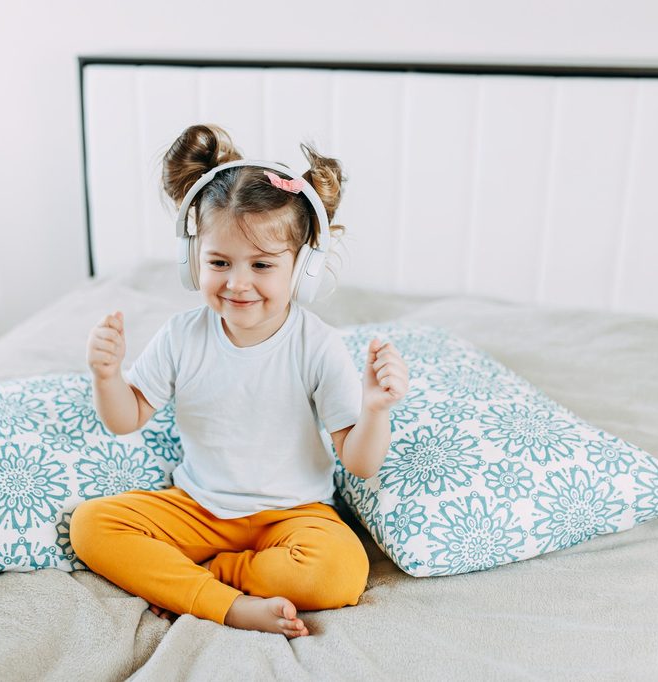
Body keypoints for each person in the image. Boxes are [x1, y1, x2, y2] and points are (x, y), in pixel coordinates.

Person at [71, 124, 409, 638]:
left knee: (340, 572)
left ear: (303, 269)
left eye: (262, 265)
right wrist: (106, 375)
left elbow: (359, 462)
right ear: (193, 262)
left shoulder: (316, 344)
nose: (238, 283)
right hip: (198, 507)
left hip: (293, 515)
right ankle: (229, 605)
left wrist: (377, 408)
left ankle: (206, 580)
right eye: (219, 262)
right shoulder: (182, 335)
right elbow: (125, 419)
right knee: (92, 527)